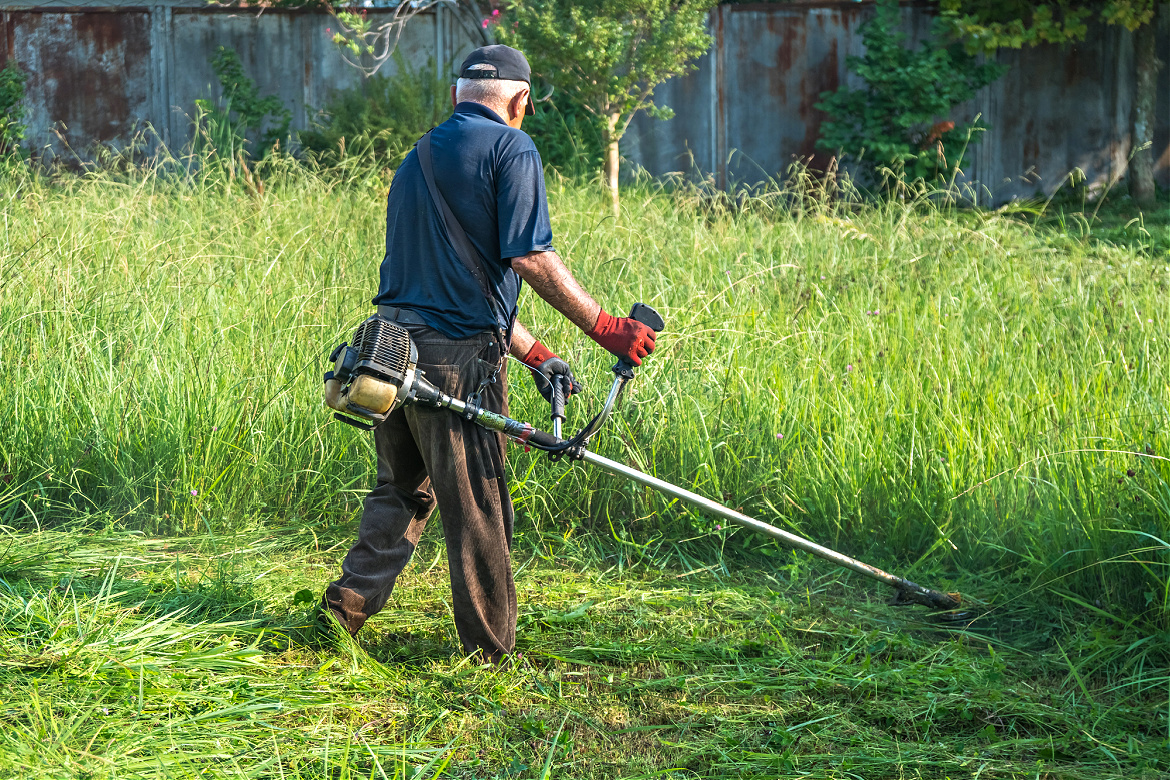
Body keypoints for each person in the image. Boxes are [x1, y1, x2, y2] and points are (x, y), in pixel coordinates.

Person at [321, 45, 657, 663]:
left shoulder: (415, 158)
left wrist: (537, 355)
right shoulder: (513, 148)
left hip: (387, 351)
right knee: (478, 503)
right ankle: (491, 655)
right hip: (457, 361)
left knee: (401, 491)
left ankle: (342, 612)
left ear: (457, 96)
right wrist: (606, 326)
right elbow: (529, 258)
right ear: (520, 100)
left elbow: (456, 284)